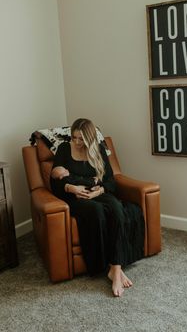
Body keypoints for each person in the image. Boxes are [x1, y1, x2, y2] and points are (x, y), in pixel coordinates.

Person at [50, 118, 144, 297]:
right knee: (97, 211)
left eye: (81, 139)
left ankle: (115, 269)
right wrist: (71, 188)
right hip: (74, 196)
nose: (77, 142)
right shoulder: (63, 149)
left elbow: (110, 181)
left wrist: (98, 191)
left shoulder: (99, 150)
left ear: (90, 139)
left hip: (98, 193)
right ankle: (109, 267)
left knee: (117, 209)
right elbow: (54, 182)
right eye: (74, 138)